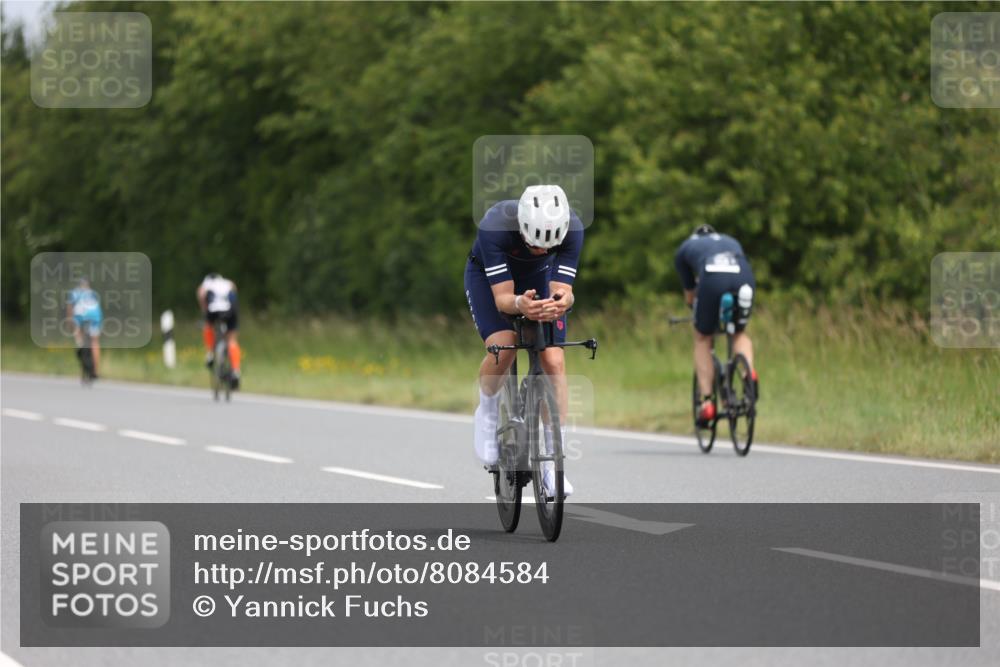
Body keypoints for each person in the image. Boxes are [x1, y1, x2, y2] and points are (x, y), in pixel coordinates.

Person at [465, 184, 584, 497]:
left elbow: (564, 289)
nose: (542, 251)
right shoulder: (494, 225)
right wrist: (520, 305)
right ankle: (488, 413)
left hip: (539, 280)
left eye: (549, 246)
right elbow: (504, 298)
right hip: (490, 280)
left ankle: (552, 465)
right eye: (535, 245)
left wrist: (562, 301)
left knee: (554, 360)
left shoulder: (572, 228)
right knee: (504, 343)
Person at [674, 224, 757, 426]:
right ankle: (749, 375)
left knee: (702, 337)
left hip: (712, 278)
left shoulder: (684, 249)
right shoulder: (731, 240)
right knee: (738, 332)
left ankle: (707, 403)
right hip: (743, 276)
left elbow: (690, 295)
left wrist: (698, 314)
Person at [197, 272, 242, 388]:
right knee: (232, 339)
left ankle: (210, 354)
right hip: (231, 309)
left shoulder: (206, 284)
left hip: (214, 309)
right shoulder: (227, 282)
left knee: (208, 326)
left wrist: (204, 310)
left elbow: (202, 295)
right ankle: (236, 370)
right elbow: (234, 290)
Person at [66, 278, 102, 379]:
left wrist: (70, 323)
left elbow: (70, 310)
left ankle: (80, 344)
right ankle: (95, 371)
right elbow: (97, 307)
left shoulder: (74, 293)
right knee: (95, 342)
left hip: (80, 315)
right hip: (95, 316)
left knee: (77, 330)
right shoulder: (92, 293)